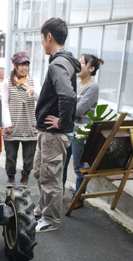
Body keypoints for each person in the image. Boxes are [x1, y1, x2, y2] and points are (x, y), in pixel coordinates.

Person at [33, 18, 81, 233]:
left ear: (49, 37)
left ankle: (50, 220)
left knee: (51, 177)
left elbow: (68, 96)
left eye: (42, 39)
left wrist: (63, 121)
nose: (42, 43)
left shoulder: (57, 64)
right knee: (41, 172)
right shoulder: (64, 61)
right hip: (48, 132)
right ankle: (43, 209)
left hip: (54, 133)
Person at [63, 54, 104, 209]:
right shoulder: (75, 84)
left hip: (81, 133)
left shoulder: (92, 87)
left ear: (91, 68)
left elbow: (79, 110)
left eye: (81, 63)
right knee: (62, 165)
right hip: (67, 130)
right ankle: (58, 193)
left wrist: (64, 108)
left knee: (79, 167)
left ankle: (78, 198)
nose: (78, 65)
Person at [2, 51, 41, 188]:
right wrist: (6, 122)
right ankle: (11, 177)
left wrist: (33, 91)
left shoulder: (34, 81)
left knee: (29, 154)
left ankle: (25, 178)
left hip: (30, 123)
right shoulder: (7, 83)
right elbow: (5, 104)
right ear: (14, 65)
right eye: (21, 64)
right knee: (11, 155)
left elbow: (41, 99)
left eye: (26, 64)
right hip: (12, 124)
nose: (24, 68)